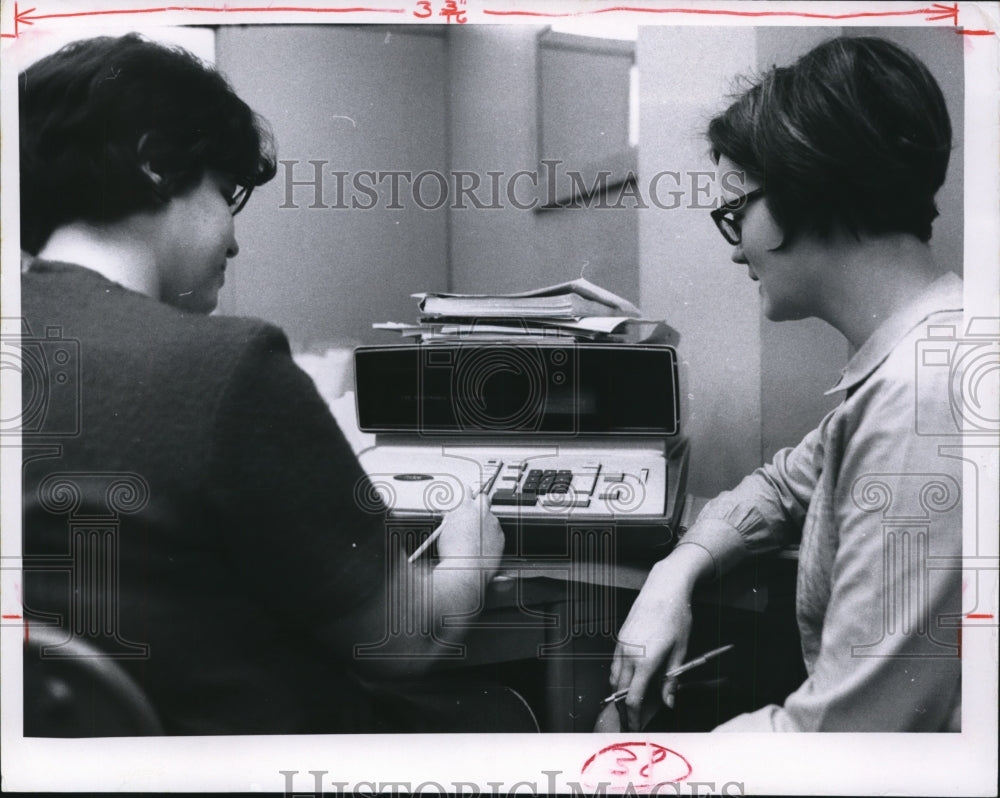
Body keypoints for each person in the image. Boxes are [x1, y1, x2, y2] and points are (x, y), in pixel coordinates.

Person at [19, 34, 528, 735]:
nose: (233, 240)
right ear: (158, 163)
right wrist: (470, 548)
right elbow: (403, 641)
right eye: (227, 194)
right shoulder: (226, 366)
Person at [597, 36, 963, 732]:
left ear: (806, 189)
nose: (735, 247)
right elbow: (785, 485)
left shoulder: (926, 396)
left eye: (737, 216)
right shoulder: (925, 354)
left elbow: (843, 744)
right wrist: (673, 574)